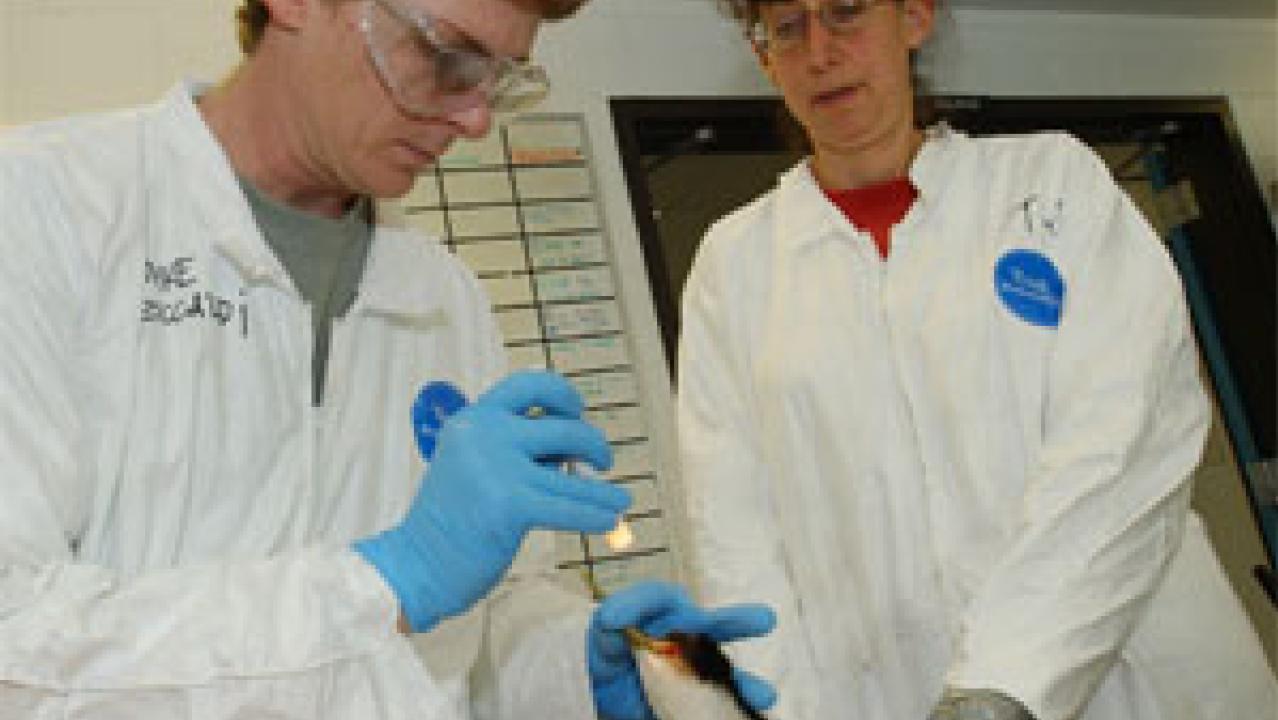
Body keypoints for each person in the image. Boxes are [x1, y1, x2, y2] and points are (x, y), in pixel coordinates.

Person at [0, 0, 778, 718]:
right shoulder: (41, 210)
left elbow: (473, 623)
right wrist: (384, 582)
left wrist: (581, 668)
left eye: (500, 79)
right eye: (443, 52)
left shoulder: (446, 294)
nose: (475, 118)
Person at [677, 1, 1278, 719]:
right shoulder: (734, 263)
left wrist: (1003, 685)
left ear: (915, 19)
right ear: (763, 56)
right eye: (787, 27)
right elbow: (733, 535)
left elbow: (1122, 443)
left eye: (845, 12)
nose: (819, 52)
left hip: (1130, 684)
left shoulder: (1052, 184)